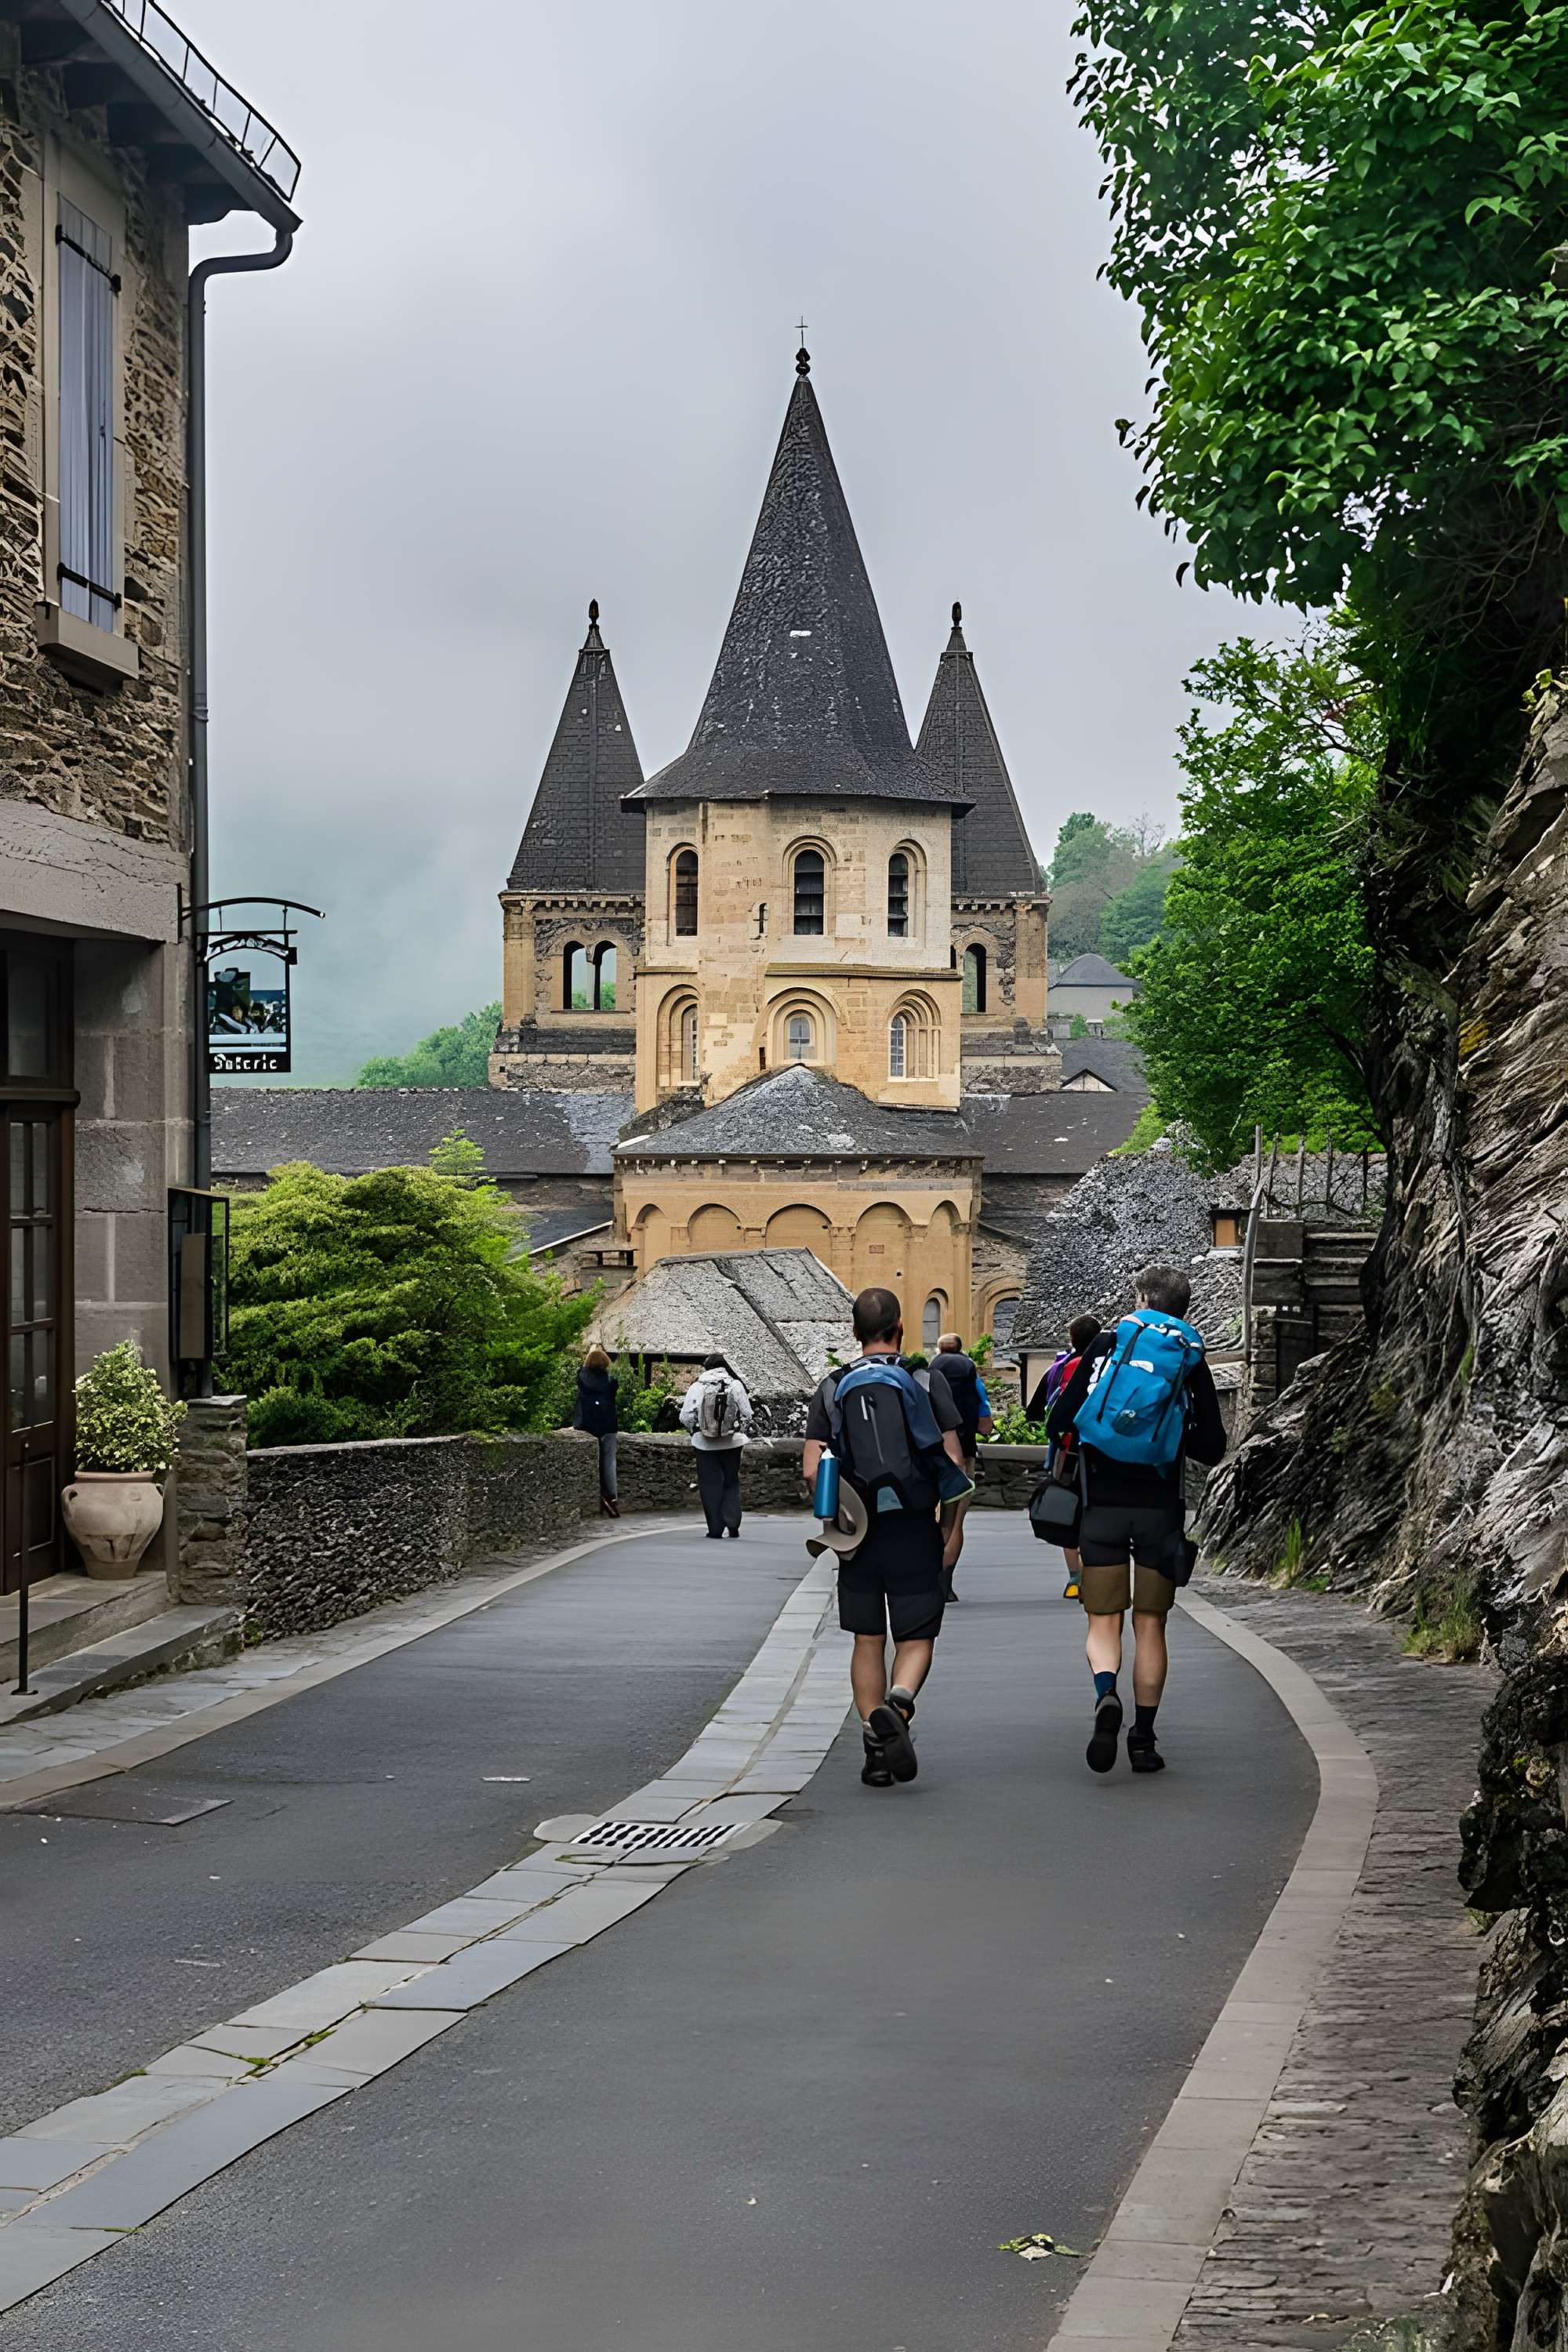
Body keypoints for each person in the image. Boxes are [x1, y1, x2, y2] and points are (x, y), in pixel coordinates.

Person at [1046, 1268, 1224, 1777]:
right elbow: (1212, 1447)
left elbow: (1061, 1421)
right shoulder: (1189, 1359)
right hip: (1159, 1510)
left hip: (1099, 1505)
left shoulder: (1108, 1342)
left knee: (1103, 1621)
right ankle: (1143, 1740)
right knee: (1151, 1625)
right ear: (1184, 1308)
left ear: (1141, 1300)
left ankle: (1107, 1694)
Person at [803, 1288, 969, 1788]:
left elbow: (813, 1470)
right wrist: (946, 1528)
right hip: (914, 1526)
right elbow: (955, 1463)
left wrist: (843, 1518)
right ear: (900, 1327)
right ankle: (898, 1706)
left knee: (867, 1639)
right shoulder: (925, 1378)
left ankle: (874, 1752)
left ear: (854, 1333)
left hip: (859, 1536)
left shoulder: (832, 1387)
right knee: (916, 1637)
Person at [1026, 1313, 1102, 1601]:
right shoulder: (1110, 1367)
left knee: (1068, 1512)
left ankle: (1074, 1579)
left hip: (1066, 1452)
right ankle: (1096, 1574)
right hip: (1101, 1451)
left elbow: (1034, 1412)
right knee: (1094, 1511)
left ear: (1072, 1340)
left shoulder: (1060, 1369)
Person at [926, 1333, 993, 1601]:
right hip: (963, 1455)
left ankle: (928, 1576)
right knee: (955, 1524)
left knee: (930, 1518)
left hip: (929, 1457)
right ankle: (946, 1583)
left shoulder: (923, 1380)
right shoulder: (974, 1382)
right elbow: (985, 1425)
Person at [679, 1354, 754, 1538]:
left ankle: (715, 1528)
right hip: (732, 1444)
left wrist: (696, 1431)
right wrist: (737, 1432)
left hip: (704, 1444)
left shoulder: (697, 1387)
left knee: (710, 1485)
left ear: (707, 1368)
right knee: (731, 1482)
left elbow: (685, 1416)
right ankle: (733, 1524)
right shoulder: (735, 1385)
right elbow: (747, 1414)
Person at [574, 1345, 621, 1516]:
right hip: (608, 1426)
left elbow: (581, 1376)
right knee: (609, 1463)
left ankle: (596, 1497)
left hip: (587, 1426)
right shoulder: (610, 1381)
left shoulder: (581, 1377)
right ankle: (612, 1498)